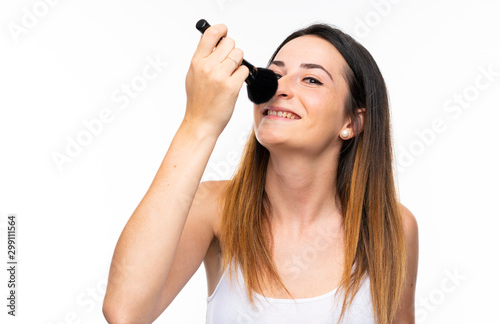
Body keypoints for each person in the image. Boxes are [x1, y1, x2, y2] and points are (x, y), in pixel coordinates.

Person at [102, 22, 419, 324]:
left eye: (311, 79)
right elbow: (125, 313)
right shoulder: (214, 209)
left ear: (351, 122)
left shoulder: (392, 226)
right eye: (275, 74)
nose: (280, 87)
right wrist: (199, 123)